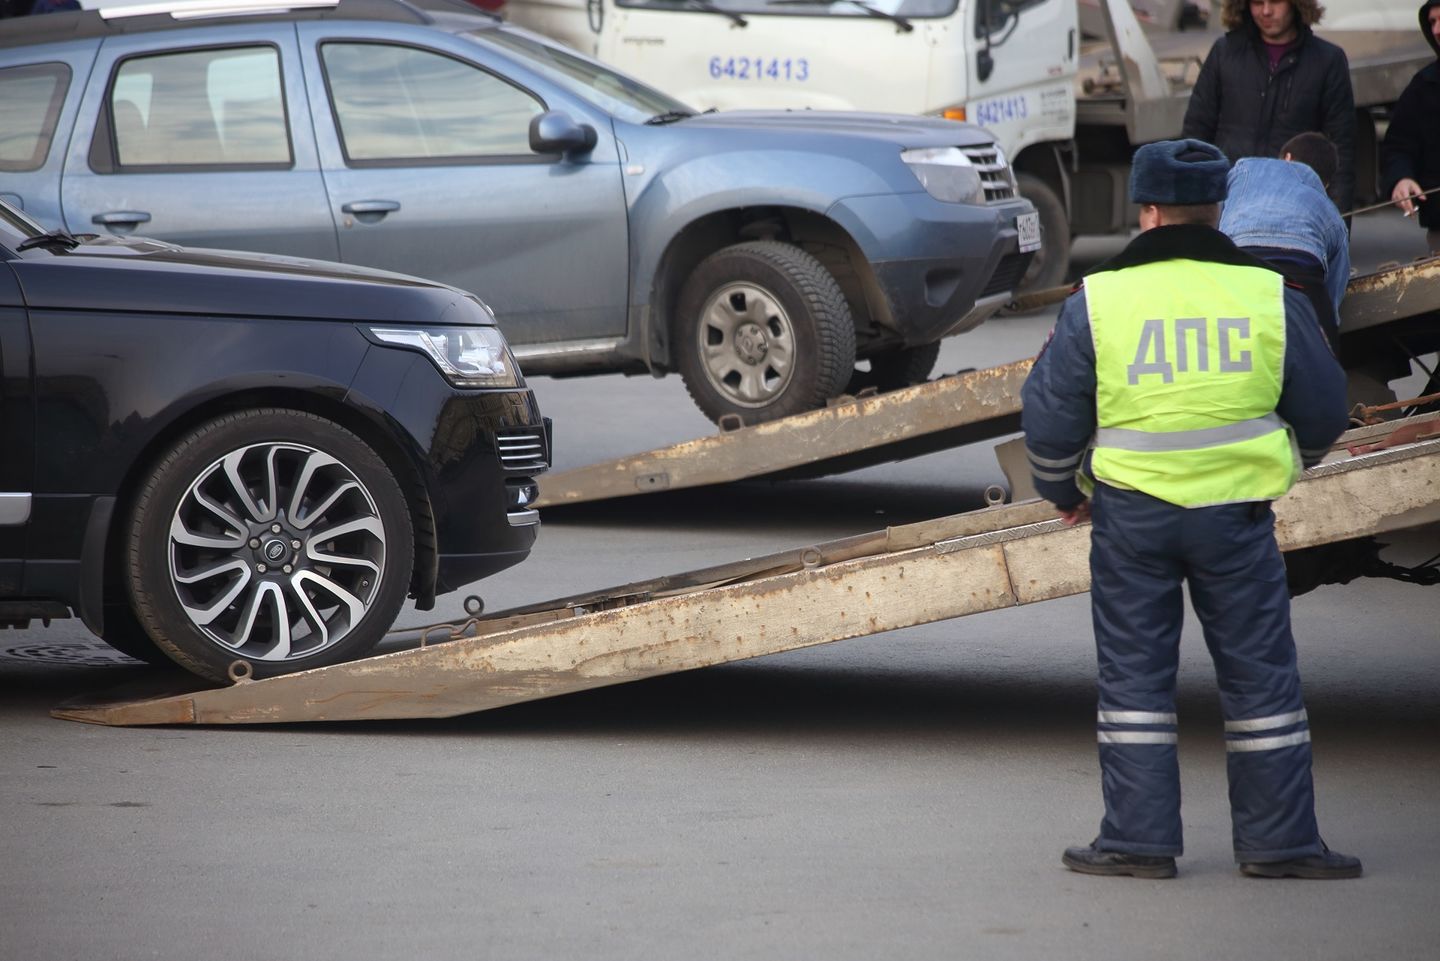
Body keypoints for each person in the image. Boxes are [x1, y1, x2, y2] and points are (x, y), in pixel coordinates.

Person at [1021, 139, 1362, 880]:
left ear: (1147, 212)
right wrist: (1285, 463)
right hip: (1237, 518)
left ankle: (1138, 841)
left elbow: (1048, 415)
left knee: (1135, 680)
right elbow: (1328, 408)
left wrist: (1063, 492)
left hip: (1131, 519)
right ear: (1218, 212)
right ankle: (1280, 844)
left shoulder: (1102, 300)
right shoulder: (1270, 295)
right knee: (1261, 679)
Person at [1182, 0, 1356, 217]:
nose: (1266, 11)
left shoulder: (1328, 60)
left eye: (1275, 1)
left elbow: (1342, 151)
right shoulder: (1224, 52)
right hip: (1230, 206)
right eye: (1257, 2)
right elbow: (1196, 133)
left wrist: (1338, 228)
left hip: (1294, 210)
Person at [1219, 131, 1349, 348]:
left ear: (1287, 157)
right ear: (1324, 184)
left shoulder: (1242, 171)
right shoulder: (1325, 205)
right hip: (1302, 277)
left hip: (1240, 267)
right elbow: (1335, 285)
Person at [1381, 0, 1440, 253]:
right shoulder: (1424, 85)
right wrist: (1401, 178)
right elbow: (1399, 145)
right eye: (1432, 22)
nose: (1437, 30)